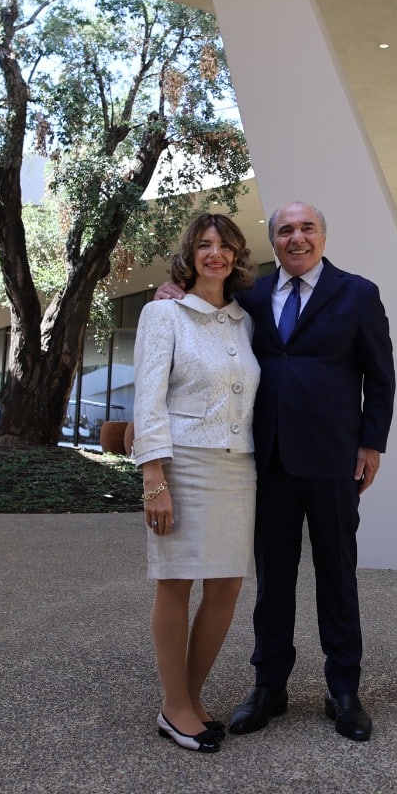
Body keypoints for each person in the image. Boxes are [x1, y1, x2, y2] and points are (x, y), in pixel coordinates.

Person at [160, 201, 396, 742]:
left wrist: (371, 444)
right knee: (273, 581)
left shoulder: (359, 294)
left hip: (335, 459)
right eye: (285, 230)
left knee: (338, 574)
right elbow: (208, 310)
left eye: (306, 228)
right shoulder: (253, 296)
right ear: (273, 243)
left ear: (323, 236)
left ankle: (344, 690)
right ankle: (269, 686)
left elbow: (380, 378)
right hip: (267, 461)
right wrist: (171, 295)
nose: (296, 238)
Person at [132, 213, 261, 753]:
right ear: (190, 254)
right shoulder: (163, 314)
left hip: (239, 465)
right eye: (205, 245)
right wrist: (153, 476)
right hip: (182, 463)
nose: (216, 254)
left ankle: (191, 694)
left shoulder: (245, 320)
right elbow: (148, 398)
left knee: (227, 586)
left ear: (237, 256)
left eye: (226, 245)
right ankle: (174, 705)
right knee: (177, 582)